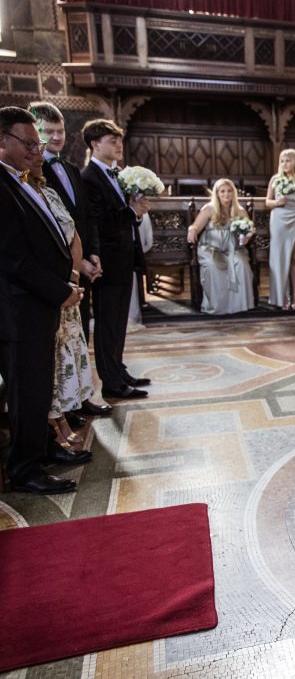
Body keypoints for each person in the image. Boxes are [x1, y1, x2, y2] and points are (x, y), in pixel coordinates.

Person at [0, 106, 83, 494]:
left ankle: (43, 450)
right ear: (3, 141)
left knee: (39, 388)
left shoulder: (20, 182)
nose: (38, 149)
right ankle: (24, 469)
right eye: (29, 142)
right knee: (27, 392)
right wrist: (60, 290)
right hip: (19, 309)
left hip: (37, 307)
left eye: (38, 142)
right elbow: (13, 257)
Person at [30, 102, 112, 420]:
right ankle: (63, 407)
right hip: (58, 271)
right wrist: (74, 267)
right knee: (57, 342)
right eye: (47, 131)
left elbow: (85, 217)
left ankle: (81, 396)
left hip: (82, 263)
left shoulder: (73, 169)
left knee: (79, 336)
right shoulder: (34, 172)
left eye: (60, 130)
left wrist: (92, 255)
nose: (55, 137)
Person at [26, 159, 95, 458]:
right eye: (31, 148)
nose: (38, 157)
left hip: (66, 289)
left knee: (65, 356)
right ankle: (53, 430)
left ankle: (62, 420)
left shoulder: (49, 194)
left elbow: (74, 237)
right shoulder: (16, 193)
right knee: (49, 365)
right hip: (42, 292)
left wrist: (73, 278)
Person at [81, 118, 151, 400]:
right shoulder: (89, 178)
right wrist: (131, 211)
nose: (119, 145)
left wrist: (137, 210)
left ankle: (118, 369)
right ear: (95, 144)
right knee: (108, 321)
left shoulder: (118, 175)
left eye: (119, 140)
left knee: (119, 320)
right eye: (112, 141)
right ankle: (110, 381)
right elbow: (98, 222)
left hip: (123, 257)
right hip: (106, 260)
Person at [187, 178, 255, 314]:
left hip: (233, 248)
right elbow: (195, 226)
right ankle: (217, 306)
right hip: (211, 248)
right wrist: (192, 230)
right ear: (217, 193)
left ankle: (239, 306)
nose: (226, 194)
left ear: (233, 193)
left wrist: (247, 236)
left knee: (241, 264)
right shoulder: (209, 209)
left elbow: (249, 229)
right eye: (222, 191)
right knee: (213, 265)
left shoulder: (240, 210)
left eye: (229, 191)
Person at [266, 149, 295, 310]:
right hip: (279, 219)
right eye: (282, 161)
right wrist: (277, 203)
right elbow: (267, 202)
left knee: (294, 258)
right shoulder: (275, 179)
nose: (285, 164)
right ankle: (281, 297)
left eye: (288, 160)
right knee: (279, 258)